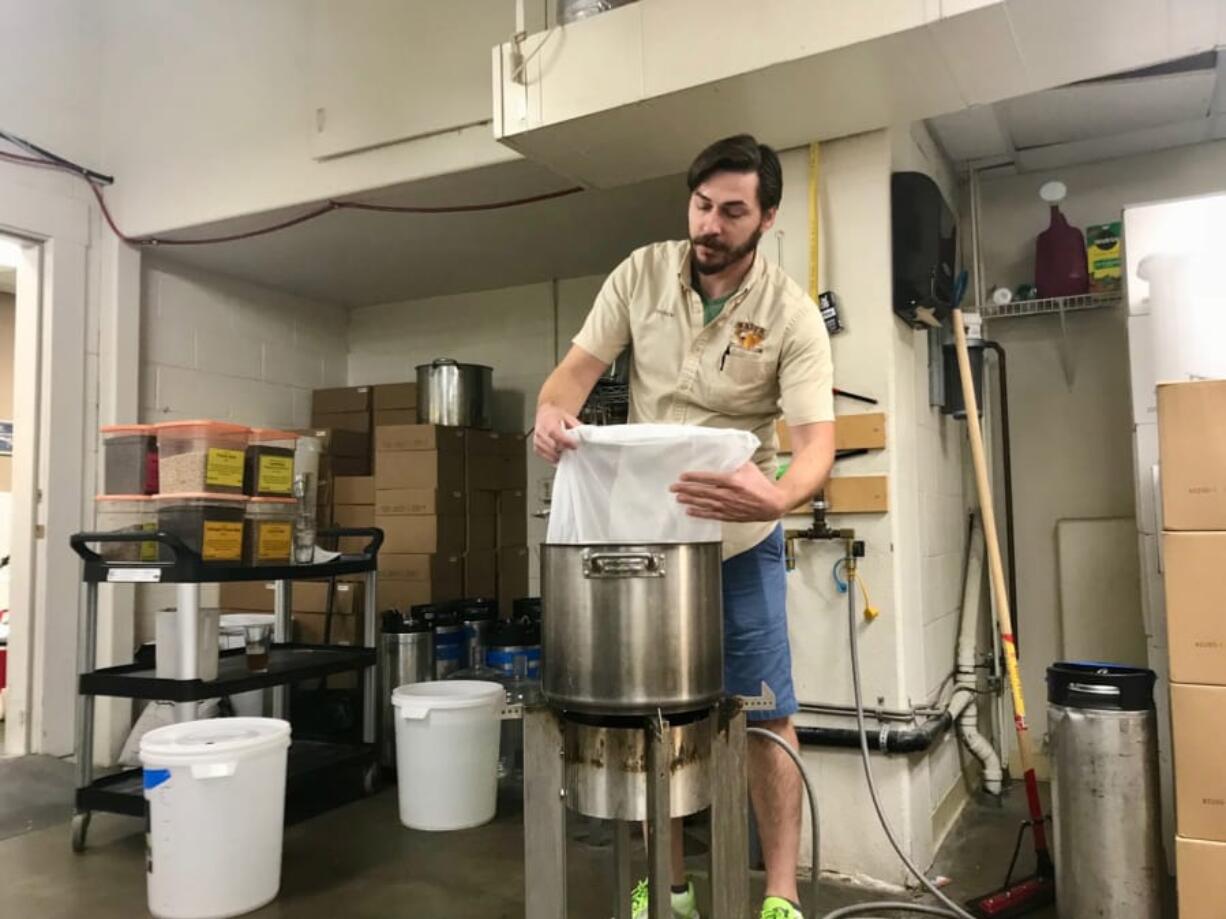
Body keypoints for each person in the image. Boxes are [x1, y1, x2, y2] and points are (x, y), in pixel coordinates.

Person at [533, 134, 835, 919]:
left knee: (766, 714)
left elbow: (815, 450)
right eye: (702, 206)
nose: (711, 225)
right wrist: (549, 416)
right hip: (646, 542)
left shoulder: (791, 314)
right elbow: (570, 378)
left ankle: (780, 895)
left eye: (733, 211)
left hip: (739, 543)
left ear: (766, 217)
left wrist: (777, 500)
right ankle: (661, 885)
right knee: (649, 716)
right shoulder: (640, 273)